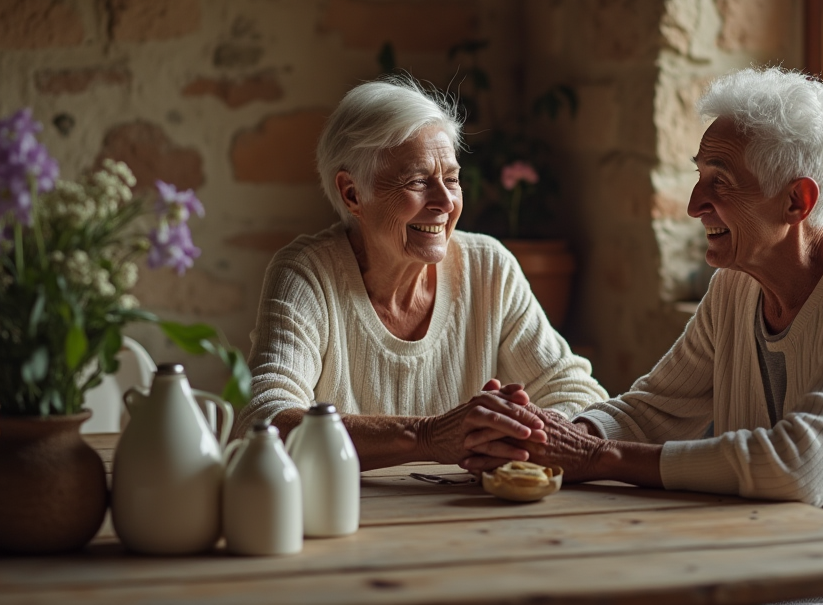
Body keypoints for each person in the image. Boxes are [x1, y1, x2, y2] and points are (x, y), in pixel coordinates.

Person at [464, 67, 823, 605]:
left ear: (795, 201)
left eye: (720, 183)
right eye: (698, 175)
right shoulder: (736, 285)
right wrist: (554, 433)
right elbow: (653, 407)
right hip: (806, 570)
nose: (692, 204)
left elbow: (800, 467)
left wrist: (600, 455)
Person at [236, 76, 607, 471]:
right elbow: (266, 419)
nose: (445, 202)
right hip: (348, 519)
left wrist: (516, 432)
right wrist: (428, 436)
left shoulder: (488, 267)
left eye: (451, 179)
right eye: (417, 181)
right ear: (352, 194)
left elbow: (578, 393)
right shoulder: (309, 275)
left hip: (467, 520)